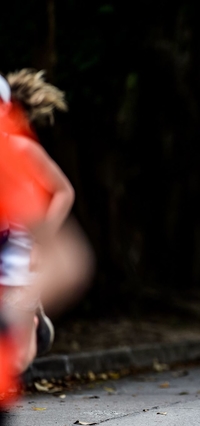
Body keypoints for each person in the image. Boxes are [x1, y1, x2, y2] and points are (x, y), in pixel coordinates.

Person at [0, 69, 91, 398]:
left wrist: (41, 243)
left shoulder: (19, 152)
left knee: (16, 357)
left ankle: (32, 323)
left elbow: (63, 192)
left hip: (18, 260)